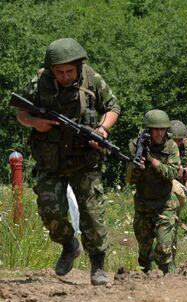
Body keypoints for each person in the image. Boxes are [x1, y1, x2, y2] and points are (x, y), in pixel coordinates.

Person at [15, 38, 120, 286]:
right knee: (49, 209)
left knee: (93, 215)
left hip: (85, 159)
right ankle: (69, 245)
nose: (64, 76)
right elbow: (20, 111)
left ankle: (98, 267)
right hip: (51, 160)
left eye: (69, 71)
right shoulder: (39, 82)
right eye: (59, 72)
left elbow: (113, 107)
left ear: (78, 66)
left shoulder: (93, 79)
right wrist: (34, 123)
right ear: (51, 69)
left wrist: (102, 130)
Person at [127, 110, 180, 274]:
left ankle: (169, 275)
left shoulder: (171, 146)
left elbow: (172, 173)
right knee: (144, 251)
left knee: (164, 247)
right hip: (143, 204)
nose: (159, 133)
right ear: (148, 130)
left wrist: (151, 160)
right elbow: (130, 180)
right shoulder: (136, 145)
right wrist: (136, 168)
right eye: (155, 129)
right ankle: (145, 276)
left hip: (165, 204)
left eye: (162, 129)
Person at [169, 120, 187, 267]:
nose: (177, 143)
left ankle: (170, 263)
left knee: (172, 228)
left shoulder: (186, 150)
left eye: (180, 140)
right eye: (174, 140)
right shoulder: (160, 147)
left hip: (176, 194)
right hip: (158, 189)